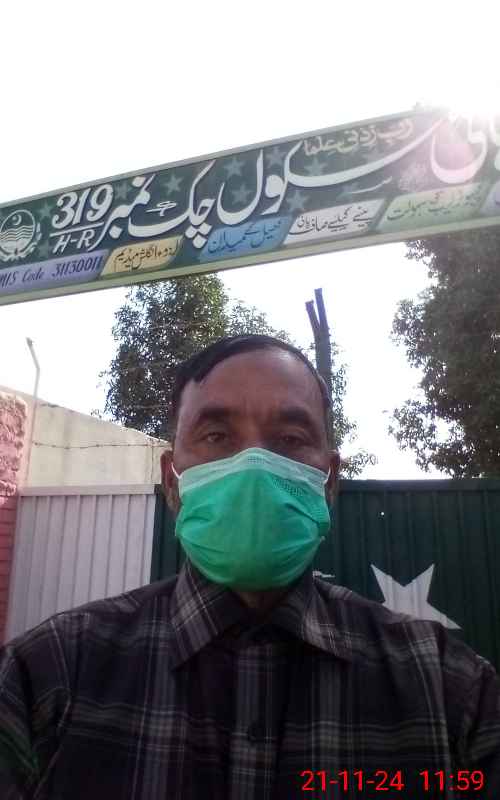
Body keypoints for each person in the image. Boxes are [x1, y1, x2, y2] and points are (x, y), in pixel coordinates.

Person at [0, 334, 499, 799]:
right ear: (172, 482)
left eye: (290, 438)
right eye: (217, 435)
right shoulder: (45, 677)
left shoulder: (450, 691)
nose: (254, 464)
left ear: (329, 482)